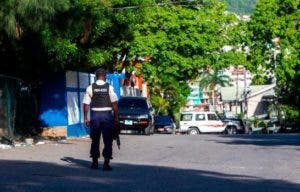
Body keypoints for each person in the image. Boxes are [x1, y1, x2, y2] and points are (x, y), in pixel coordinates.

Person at [83, 67, 119, 171]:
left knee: (95, 139)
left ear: (96, 76)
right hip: (107, 116)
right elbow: (115, 105)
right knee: (108, 140)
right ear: (105, 77)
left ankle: (94, 163)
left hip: (95, 116)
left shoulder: (90, 87)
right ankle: (106, 164)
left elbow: (86, 104)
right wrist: (116, 118)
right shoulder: (109, 87)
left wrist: (85, 118)